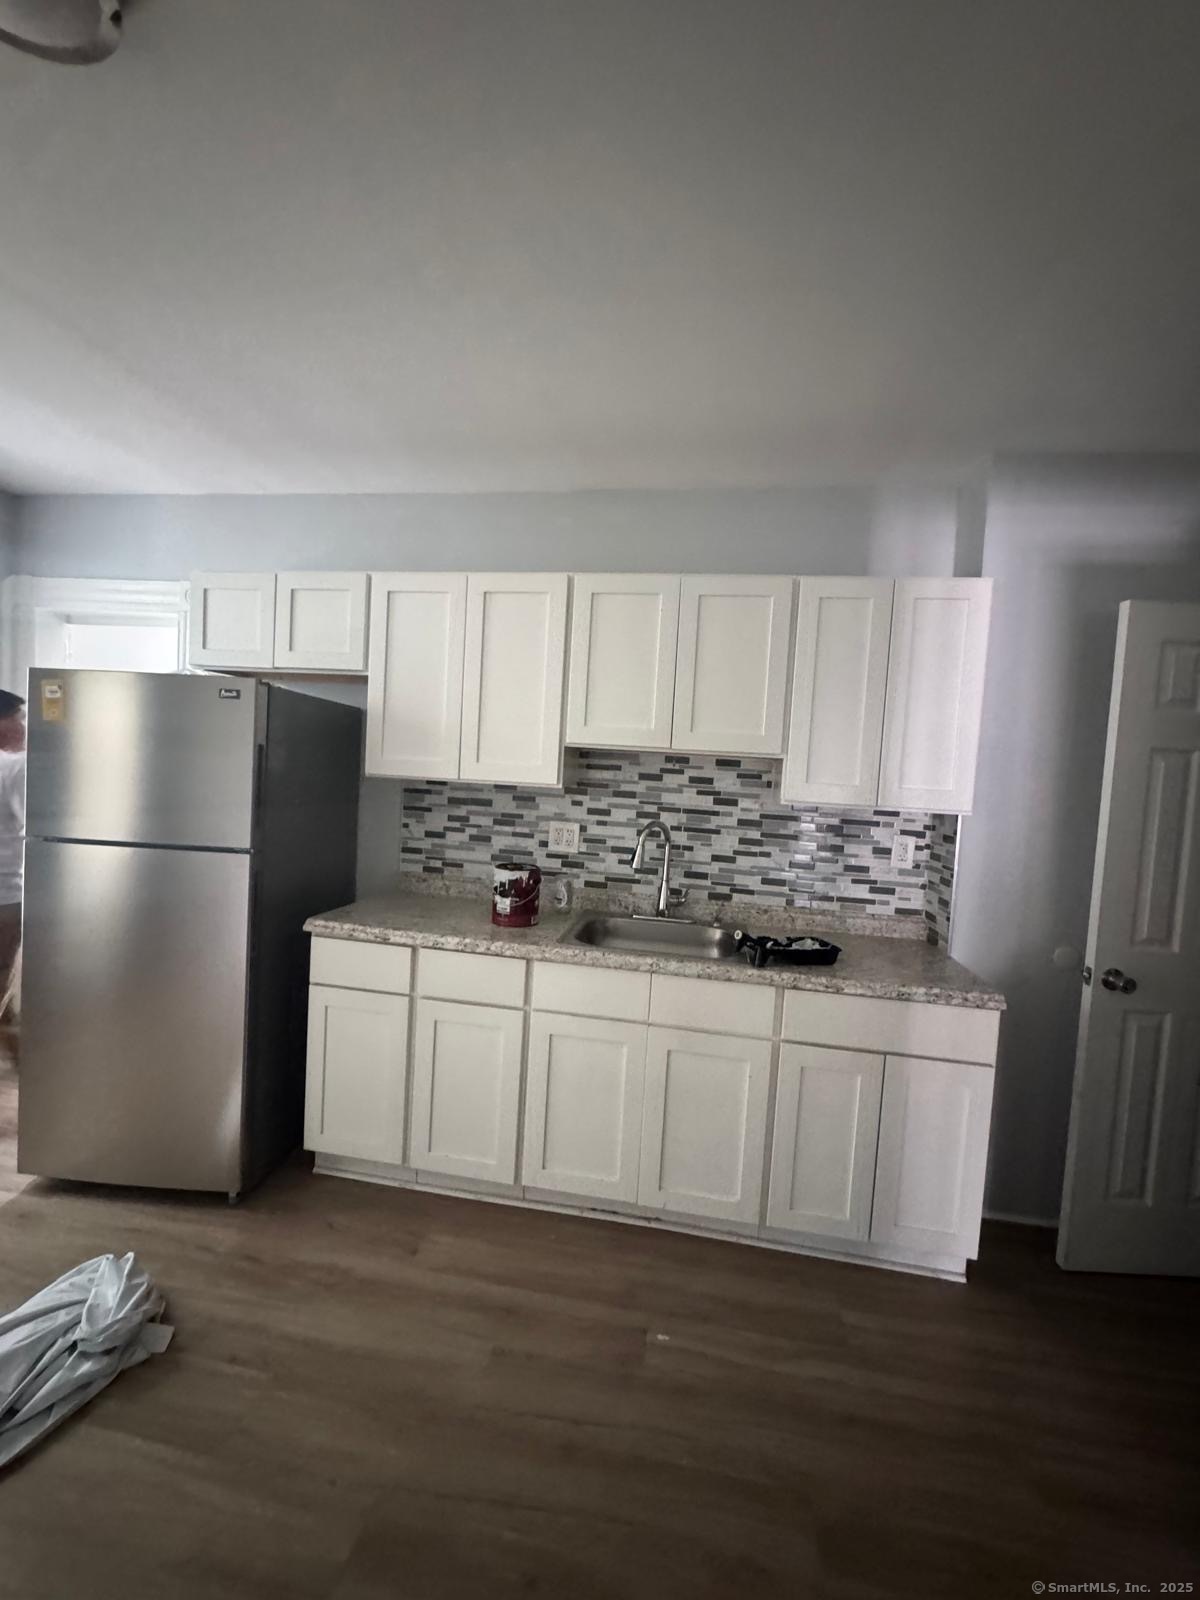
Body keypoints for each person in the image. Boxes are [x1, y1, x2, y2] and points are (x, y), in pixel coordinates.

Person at [0, 689, 26, 1024]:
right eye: (18, 717)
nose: (23, 725)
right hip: (6, 894)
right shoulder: (14, 766)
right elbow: (35, 820)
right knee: (5, 975)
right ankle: (14, 1052)